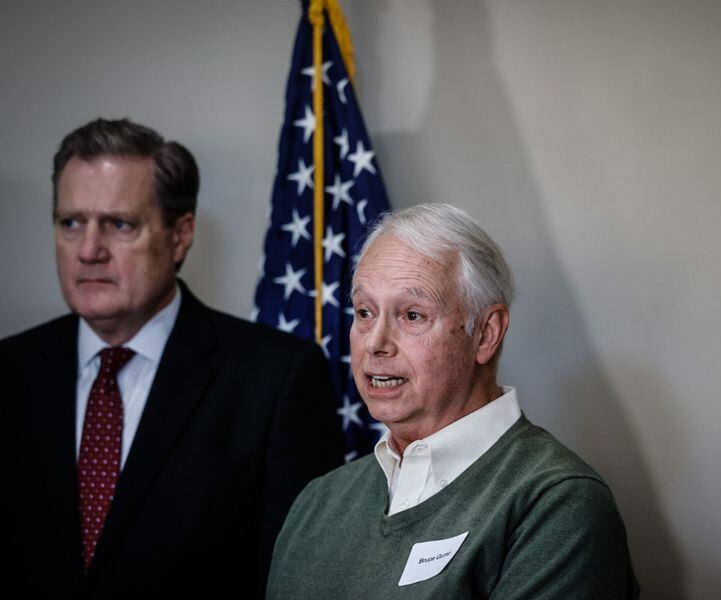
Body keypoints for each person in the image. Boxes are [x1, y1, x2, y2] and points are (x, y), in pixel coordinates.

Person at [0, 118, 341, 599]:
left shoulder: (276, 379)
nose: (89, 250)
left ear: (180, 235)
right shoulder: (9, 373)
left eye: (119, 224)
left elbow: (299, 580)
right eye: (70, 223)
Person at [266, 203, 639, 599]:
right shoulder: (318, 501)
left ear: (485, 334)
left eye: (411, 315)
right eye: (364, 312)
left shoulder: (557, 503)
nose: (375, 343)